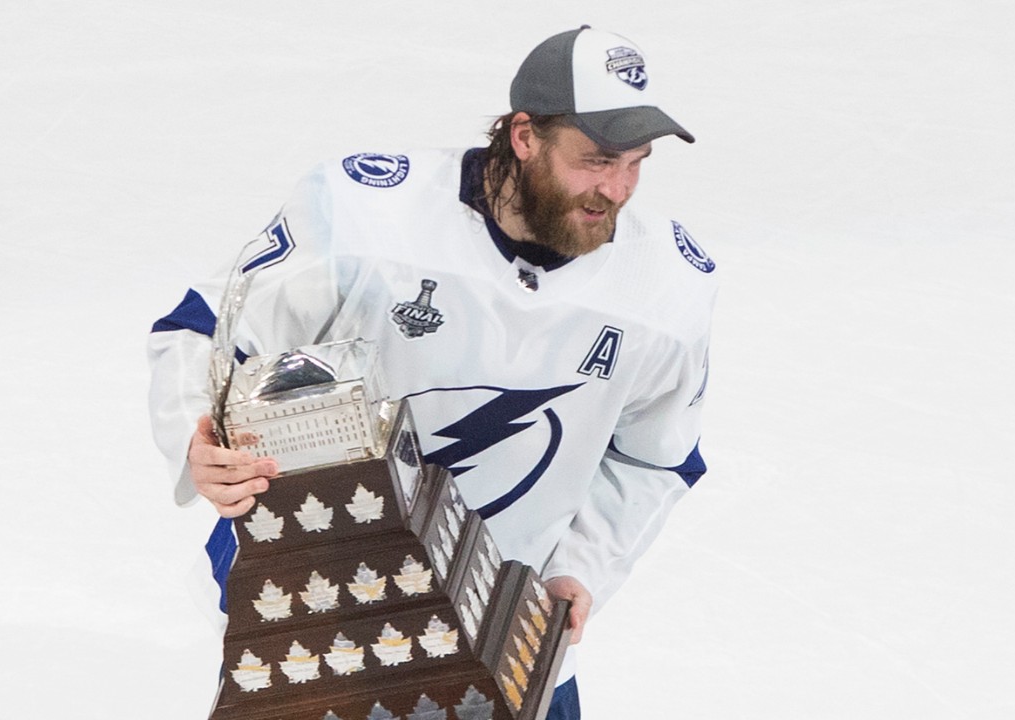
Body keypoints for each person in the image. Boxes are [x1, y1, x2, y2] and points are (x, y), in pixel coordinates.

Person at [148, 25, 717, 719]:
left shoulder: (667, 290)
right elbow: (205, 331)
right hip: (332, 619)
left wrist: (580, 567)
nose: (617, 188)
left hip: (509, 634)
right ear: (524, 135)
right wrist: (197, 440)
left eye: (636, 162)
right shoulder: (364, 217)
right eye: (595, 159)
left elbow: (654, 458)